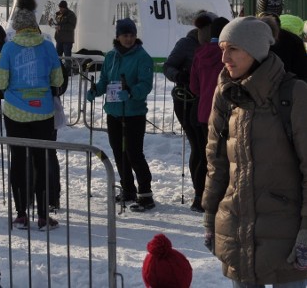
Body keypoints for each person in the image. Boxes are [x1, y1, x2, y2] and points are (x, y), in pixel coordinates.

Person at [203, 16, 307, 287]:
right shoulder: (225, 94)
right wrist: (210, 216)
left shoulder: (295, 94)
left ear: (256, 50)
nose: (224, 56)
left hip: (288, 235)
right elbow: (216, 163)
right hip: (237, 229)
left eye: (233, 48)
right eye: (222, 48)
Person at [0, 0, 63, 230]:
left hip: (15, 112)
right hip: (43, 112)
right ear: (34, 25)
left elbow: (0, 82)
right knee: (41, 160)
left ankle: (21, 213)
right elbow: (58, 78)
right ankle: (44, 215)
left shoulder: (9, 49)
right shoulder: (47, 46)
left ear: (16, 26)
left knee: (18, 161)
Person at [86, 18, 155, 212]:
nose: (129, 38)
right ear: (118, 36)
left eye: (132, 35)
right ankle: (128, 188)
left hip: (133, 113)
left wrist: (132, 92)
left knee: (134, 153)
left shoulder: (142, 57)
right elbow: (105, 81)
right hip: (114, 112)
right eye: (125, 35)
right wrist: (95, 91)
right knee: (119, 153)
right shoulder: (111, 56)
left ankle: (146, 193)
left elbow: (146, 84)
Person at [162, 12, 214, 213]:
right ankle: (198, 191)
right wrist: (179, 76)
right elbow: (168, 66)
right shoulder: (186, 43)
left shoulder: (217, 45)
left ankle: (205, 189)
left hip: (204, 99)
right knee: (198, 146)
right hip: (186, 100)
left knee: (206, 148)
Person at [188, 16, 229, 212]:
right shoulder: (227, 55)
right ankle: (217, 197)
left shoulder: (199, 53)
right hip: (224, 112)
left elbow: (193, 86)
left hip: (203, 111)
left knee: (203, 156)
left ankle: (198, 196)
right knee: (221, 159)